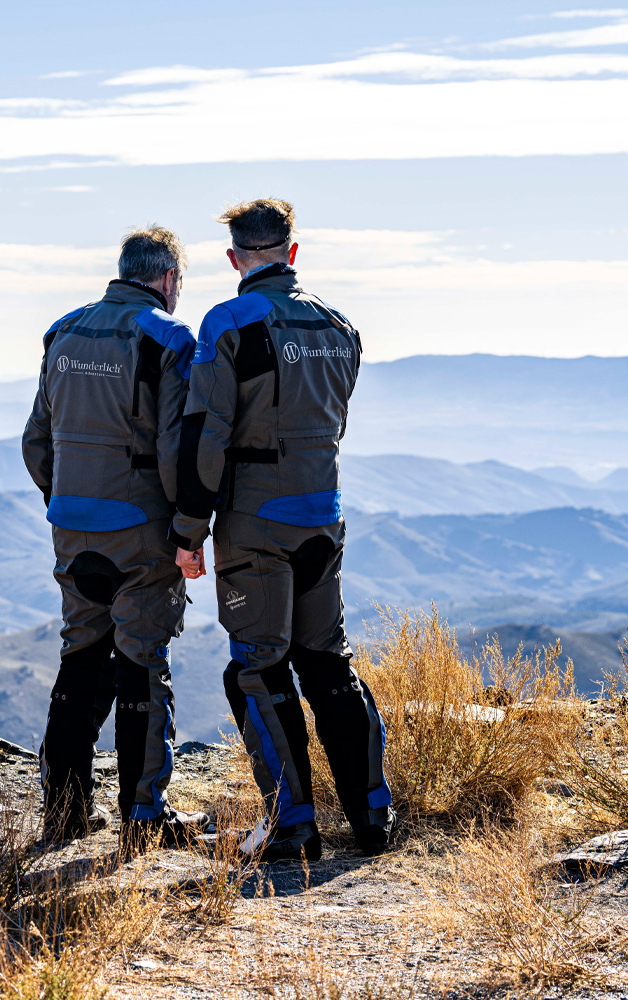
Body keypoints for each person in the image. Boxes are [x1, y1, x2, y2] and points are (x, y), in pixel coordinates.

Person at [168, 199, 394, 861]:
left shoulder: (231, 322)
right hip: (323, 512)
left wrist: (189, 529)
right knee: (328, 663)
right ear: (292, 253)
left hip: (255, 523)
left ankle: (294, 825)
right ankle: (374, 816)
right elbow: (335, 414)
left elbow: (205, 432)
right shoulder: (337, 324)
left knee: (257, 669)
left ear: (235, 258)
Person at [23, 226, 211, 848]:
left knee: (80, 655)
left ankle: (64, 812)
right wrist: (187, 529)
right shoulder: (167, 337)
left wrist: (64, 499)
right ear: (166, 279)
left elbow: (36, 439)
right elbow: (173, 448)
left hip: (73, 527)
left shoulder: (64, 331)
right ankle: (143, 818)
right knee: (141, 663)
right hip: (138, 530)